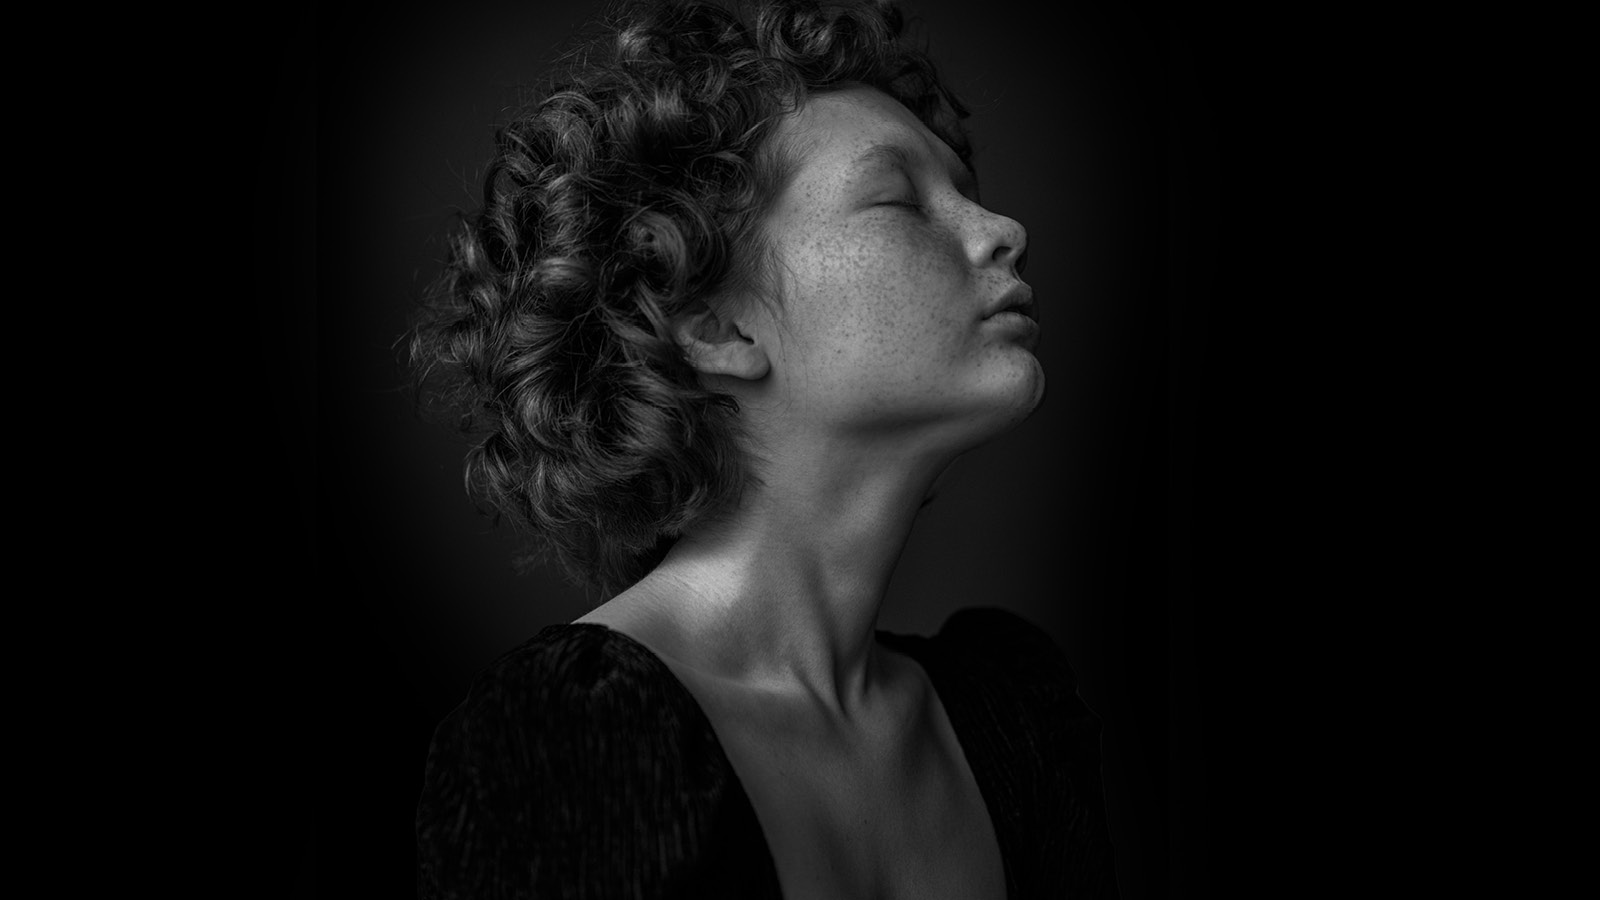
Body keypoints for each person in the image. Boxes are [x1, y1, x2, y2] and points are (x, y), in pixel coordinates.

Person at [410, 0, 1119, 896]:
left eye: (967, 190)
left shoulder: (1015, 715)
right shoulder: (570, 737)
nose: (1000, 229)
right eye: (899, 198)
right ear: (713, 324)